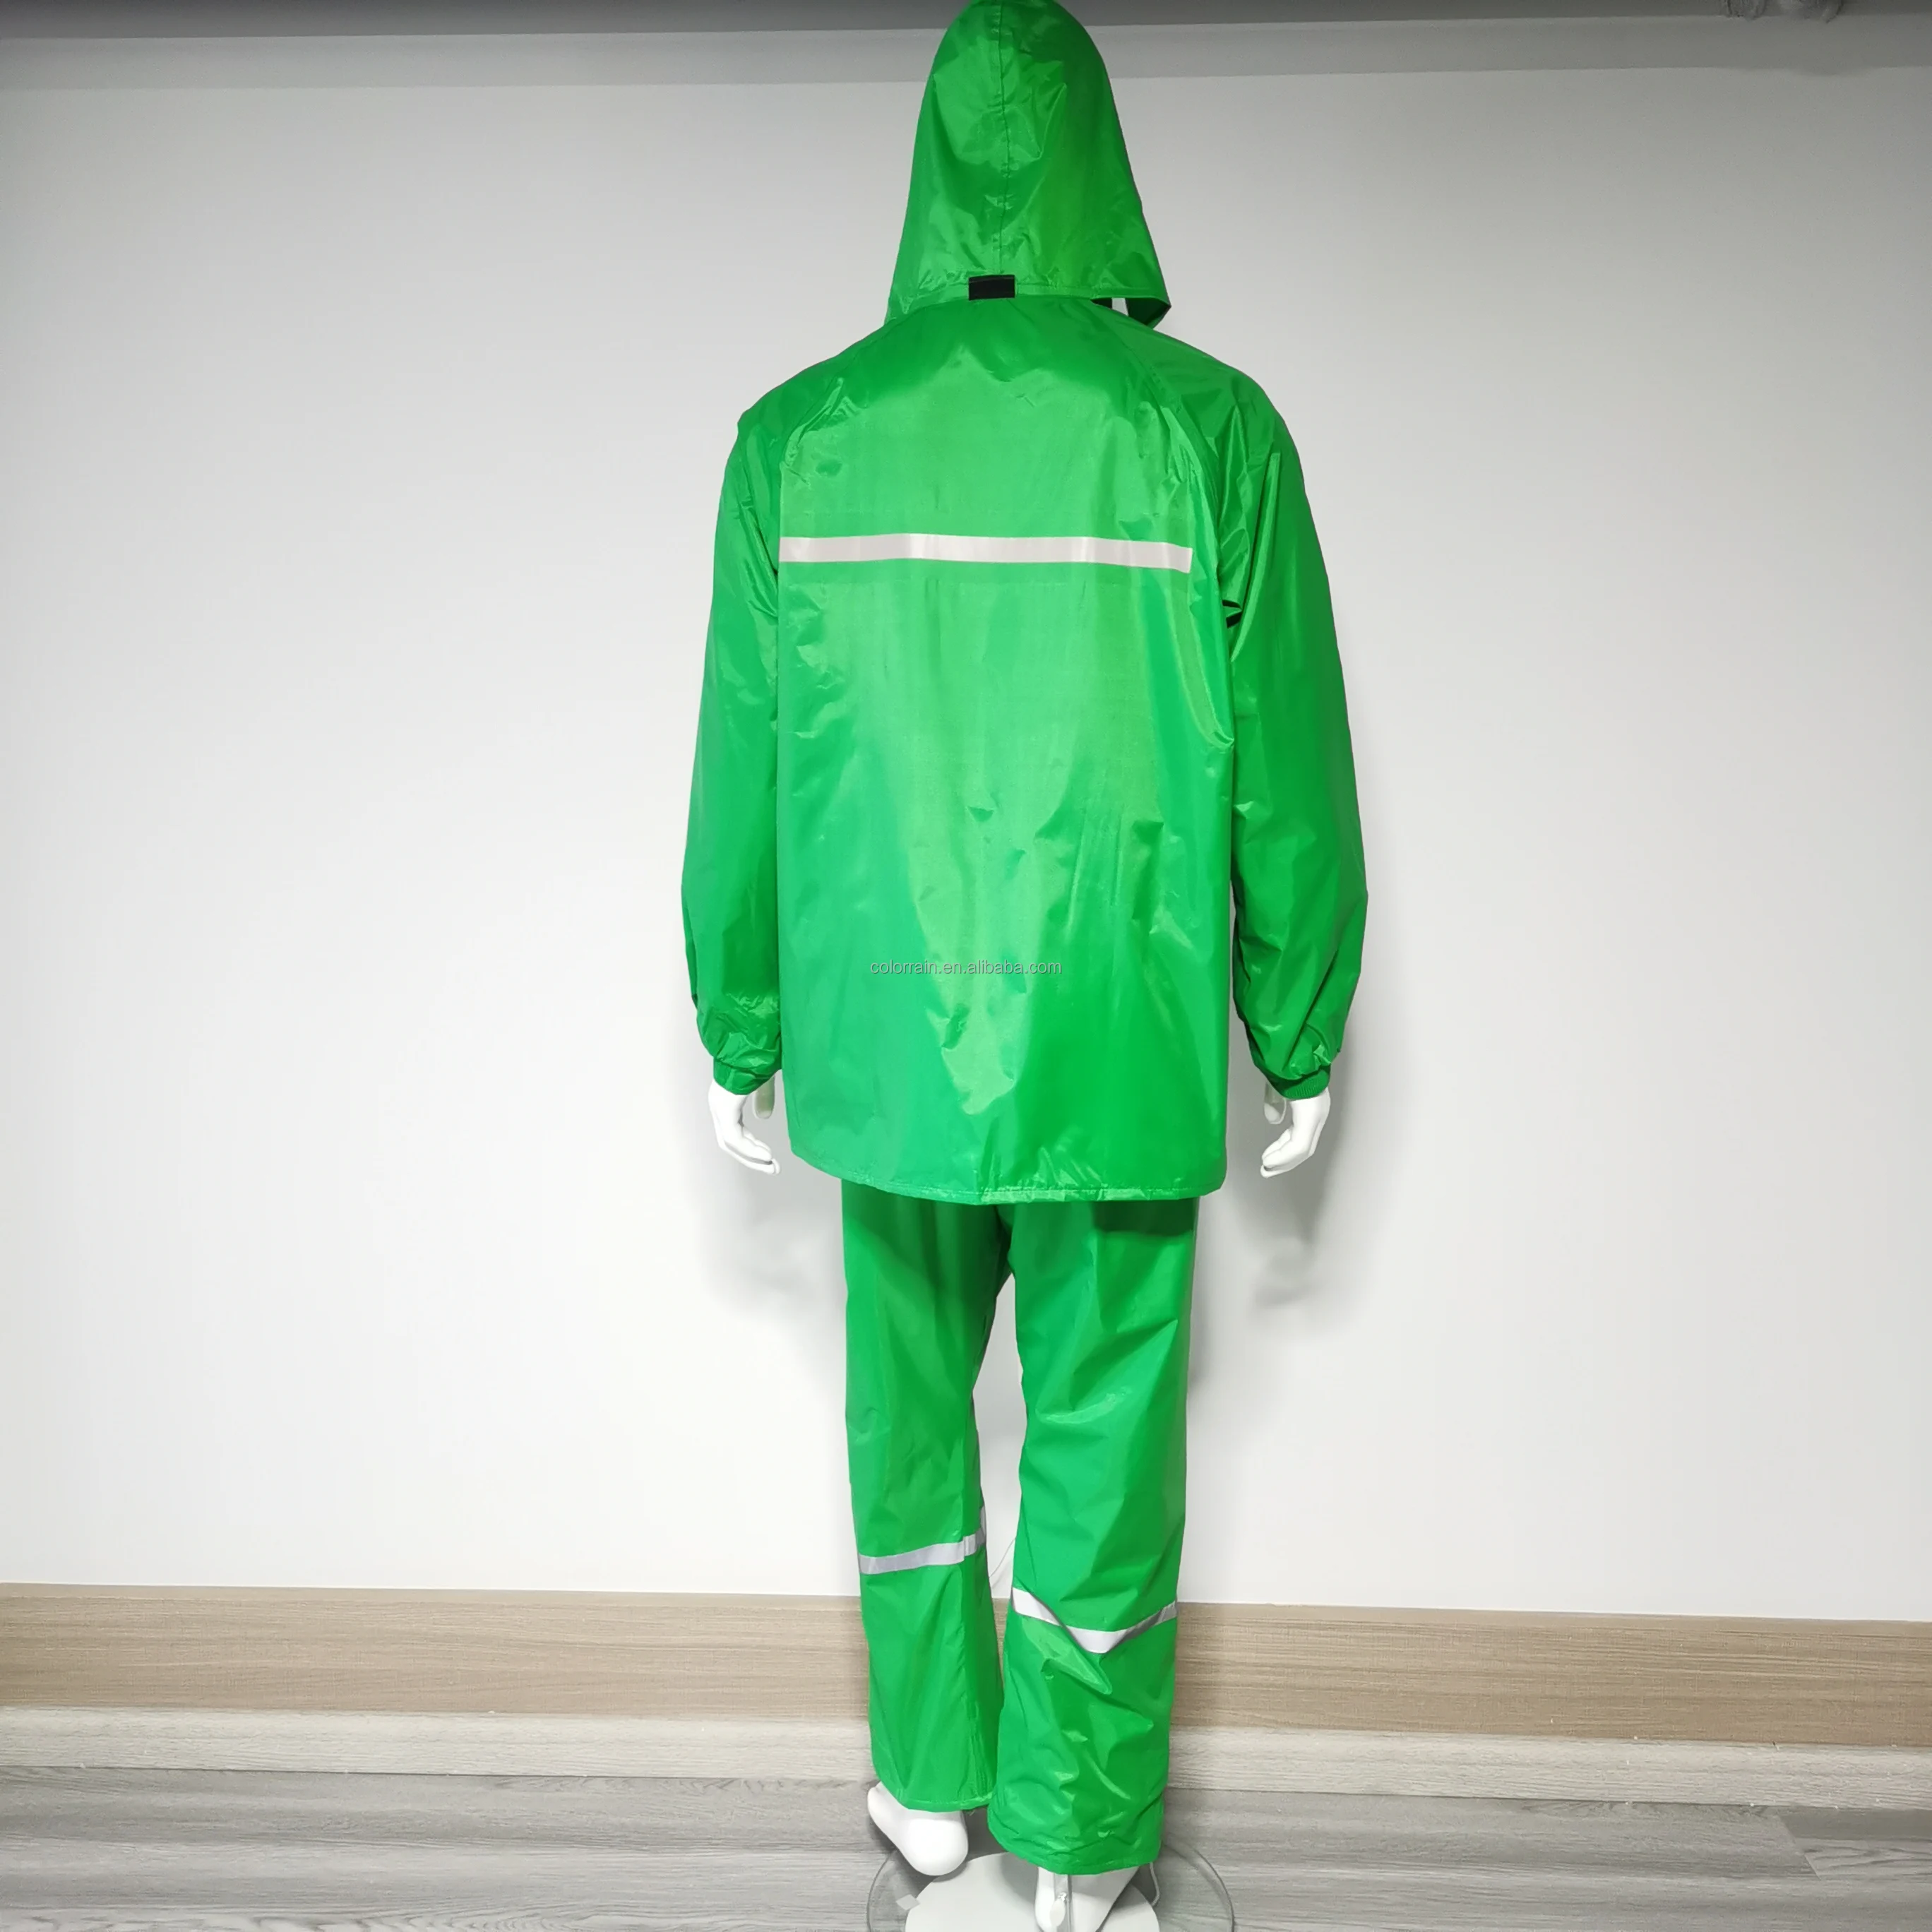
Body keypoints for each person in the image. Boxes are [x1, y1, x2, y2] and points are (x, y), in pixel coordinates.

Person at [681, 4, 1366, 1925]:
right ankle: (1076, 1841)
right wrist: (1300, 1023)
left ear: (932, 169)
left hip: (886, 1026)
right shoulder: (1209, 430)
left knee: (905, 1414)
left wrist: (738, 1019)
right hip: (1112, 1026)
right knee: (1105, 1427)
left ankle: (928, 1788)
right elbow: (1291, 758)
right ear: (1098, 167)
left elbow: (745, 758)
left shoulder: (797, 440)